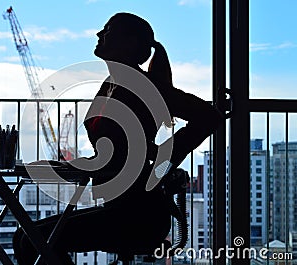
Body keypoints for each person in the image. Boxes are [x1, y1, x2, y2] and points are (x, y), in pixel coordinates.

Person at [13, 12, 223, 264]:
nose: (99, 34)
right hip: (117, 206)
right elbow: (114, 151)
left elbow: (209, 117)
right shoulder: (111, 84)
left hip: (138, 215)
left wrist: (166, 157)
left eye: (108, 30)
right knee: (25, 236)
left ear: (130, 43)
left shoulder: (145, 87)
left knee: (30, 240)